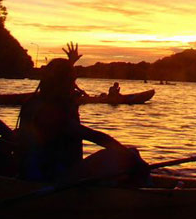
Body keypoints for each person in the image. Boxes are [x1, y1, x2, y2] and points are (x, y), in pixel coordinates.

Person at [15, 43, 148, 183]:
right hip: (52, 178)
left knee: (130, 154)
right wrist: (128, 155)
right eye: (71, 81)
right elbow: (95, 137)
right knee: (128, 155)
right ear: (62, 83)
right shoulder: (49, 111)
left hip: (51, 173)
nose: (73, 85)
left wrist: (70, 62)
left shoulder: (36, 101)